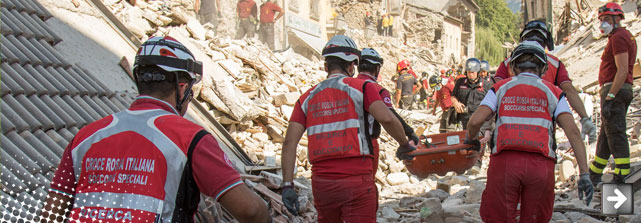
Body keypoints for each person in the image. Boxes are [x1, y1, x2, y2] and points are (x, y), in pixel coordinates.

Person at [40, 36, 271, 223]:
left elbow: (52, 214)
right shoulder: (191, 138)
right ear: (182, 88)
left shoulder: (86, 136)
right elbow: (250, 211)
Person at [279, 35, 416, 223]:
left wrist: (287, 185)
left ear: (326, 67)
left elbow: (289, 143)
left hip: (322, 183)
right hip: (357, 180)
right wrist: (404, 143)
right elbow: (387, 118)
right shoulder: (364, 87)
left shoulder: (306, 98)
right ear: (352, 66)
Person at [466, 41, 593, 222]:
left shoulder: (500, 88)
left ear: (513, 67)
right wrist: (584, 174)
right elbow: (572, 132)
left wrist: (471, 138)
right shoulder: (555, 92)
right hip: (541, 166)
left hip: (504, 164)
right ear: (543, 68)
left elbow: (475, 121)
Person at [495, 20, 597, 145]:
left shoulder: (508, 63)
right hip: (543, 137)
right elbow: (569, 91)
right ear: (546, 42)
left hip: (508, 135)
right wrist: (584, 118)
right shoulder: (555, 64)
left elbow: (494, 91)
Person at [589, 2, 637, 185]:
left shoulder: (619, 37)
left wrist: (610, 96)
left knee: (616, 133)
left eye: (607, 19)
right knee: (606, 134)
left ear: (618, 19)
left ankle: (622, 175)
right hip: (618, 89)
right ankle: (594, 173)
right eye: (601, 20)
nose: (603, 24)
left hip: (615, 90)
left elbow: (622, 70)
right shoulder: (623, 36)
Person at [358, 48, 420, 148]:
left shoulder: (346, 86)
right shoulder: (378, 90)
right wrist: (409, 134)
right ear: (377, 68)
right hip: (367, 143)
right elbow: (389, 116)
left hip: (345, 143)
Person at [451, 58, 492, 137]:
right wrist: (455, 103)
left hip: (480, 122)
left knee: (477, 144)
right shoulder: (460, 82)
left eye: (473, 72)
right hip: (465, 120)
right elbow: (453, 96)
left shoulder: (486, 85)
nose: (470, 74)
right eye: (468, 72)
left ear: (478, 72)